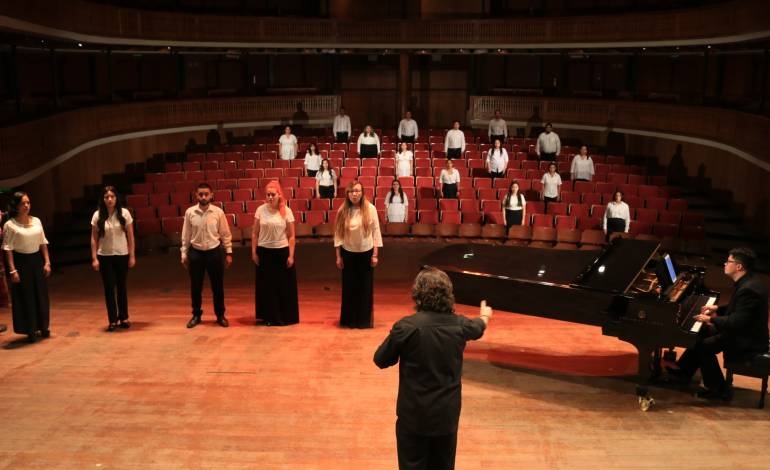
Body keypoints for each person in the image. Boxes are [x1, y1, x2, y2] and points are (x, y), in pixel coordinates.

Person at [374, 268, 492, 470]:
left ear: (418, 295)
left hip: (413, 416)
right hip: (446, 415)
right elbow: (478, 327)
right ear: (448, 295)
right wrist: (484, 316)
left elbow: (381, 359)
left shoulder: (406, 327)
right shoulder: (461, 326)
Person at [670, 248, 768, 401]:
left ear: (739, 267)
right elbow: (738, 308)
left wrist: (710, 319)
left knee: (704, 346)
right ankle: (683, 371)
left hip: (747, 340)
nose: (725, 264)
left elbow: (737, 322)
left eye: (728, 261)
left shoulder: (749, 289)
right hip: (743, 331)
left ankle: (719, 389)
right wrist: (718, 308)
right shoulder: (748, 281)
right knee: (701, 333)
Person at [181, 183, 233, 328]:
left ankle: (220, 315)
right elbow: (186, 235)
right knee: (195, 287)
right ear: (196, 195)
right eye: (200, 194)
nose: (203, 196)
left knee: (218, 286)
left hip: (214, 252)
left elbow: (225, 233)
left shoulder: (218, 212)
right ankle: (196, 314)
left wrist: (228, 252)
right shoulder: (189, 212)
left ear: (211, 195)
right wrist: (184, 253)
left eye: (206, 194)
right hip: (196, 253)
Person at [1, 192, 51, 343]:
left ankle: (43, 326)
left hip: (36, 260)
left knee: (40, 294)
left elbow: (43, 242)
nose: (26, 206)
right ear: (16, 206)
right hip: (21, 262)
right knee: (26, 296)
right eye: (23, 203)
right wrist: (12, 270)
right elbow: (8, 248)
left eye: (28, 202)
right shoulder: (10, 225)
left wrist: (47, 262)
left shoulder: (37, 221)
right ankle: (30, 329)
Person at [334, 180, 383, 329]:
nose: (354, 194)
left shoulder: (371, 209)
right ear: (347, 194)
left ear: (362, 193)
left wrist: (375, 254)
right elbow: (338, 234)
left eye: (357, 191)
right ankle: (349, 320)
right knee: (349, 288)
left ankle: (363, 321)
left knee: (364, 288)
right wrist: (338, 256)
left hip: (366, 253)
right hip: (348, 253)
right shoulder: (342, 210)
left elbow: (376, 231)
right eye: (351, 191)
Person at [251, 181, 299, 327]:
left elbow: (291, 236)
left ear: (279, 195)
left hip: (282, 252)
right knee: (267, 287)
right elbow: (254, 233)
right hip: (264, 252)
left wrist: (291, 255)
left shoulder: (287, 211)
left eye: (273, 194)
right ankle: (269, 317)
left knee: (283, 286)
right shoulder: (260, 210)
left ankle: (284, 317)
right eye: (268, 195)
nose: (270, 197)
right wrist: (254, 252)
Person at [90, 186, 136, 332]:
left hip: (122, 254)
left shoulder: (125, 213)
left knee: (121, 287)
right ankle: (112, 320)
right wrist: (94, 258)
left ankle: (124, 317)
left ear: (116, 198)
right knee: (109, 288)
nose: (109, 199)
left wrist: (132, 255)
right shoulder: (97, 215)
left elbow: (130, 236)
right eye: (106, 197)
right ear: (103, 199)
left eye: (112, 196)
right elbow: (93, 238)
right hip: (105, 256)